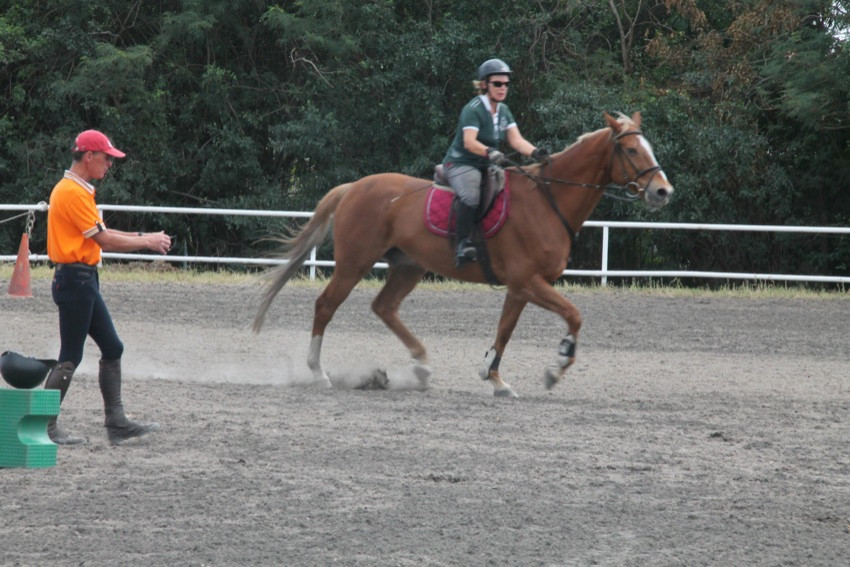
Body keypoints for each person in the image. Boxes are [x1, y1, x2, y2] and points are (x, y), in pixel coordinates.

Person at [43, 129, 171, 445]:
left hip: (81, 280)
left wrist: (144, 239)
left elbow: (101, 233)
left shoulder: (76, 189)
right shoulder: (72, 192)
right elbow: (104, 239)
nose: (109, 165)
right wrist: (148, 241)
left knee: (112, 348)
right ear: (89, 156)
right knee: (70, 356)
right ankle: (44, 425)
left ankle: (116, 421)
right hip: (75, 281)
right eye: (106, 158)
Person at [442, 58, 550, 267]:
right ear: (484, 85)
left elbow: (516, 140)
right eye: (498, 84)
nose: (503, 88)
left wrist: (536, 152)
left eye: (506, 84)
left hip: (485, 164)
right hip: (461, 163)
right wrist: (490, 151)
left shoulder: (504, 111)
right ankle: (462, 245)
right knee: (471, 195)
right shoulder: (472, 109)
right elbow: (469, 142)